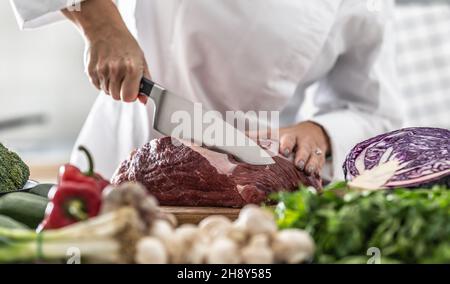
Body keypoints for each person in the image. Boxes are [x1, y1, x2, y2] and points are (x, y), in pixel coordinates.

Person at [10, 0, 403, 180]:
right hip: (127, 142)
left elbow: (374, 111)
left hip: (259, 175)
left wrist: (319, 133)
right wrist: (100, 23)